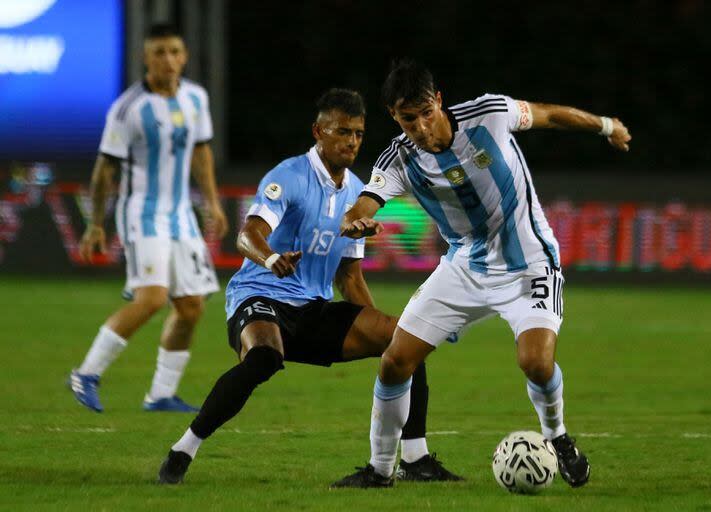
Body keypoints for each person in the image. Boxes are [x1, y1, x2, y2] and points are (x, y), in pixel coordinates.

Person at [332, 60, 632, 488]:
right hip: (464, 267)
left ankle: (558, 437)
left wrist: (605, 126)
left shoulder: (489, 114)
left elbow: (548, 114)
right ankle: (381, 470)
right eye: (407, 118)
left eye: (424, 112)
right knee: (396, 361)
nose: (419, 126)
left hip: (528, 260)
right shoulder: (399, 159)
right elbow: (366, 201)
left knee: (536, 362)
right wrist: (356, 220)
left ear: (438, 100)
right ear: (393, 116)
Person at [156, 88, 460, 485]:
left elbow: (349, 278)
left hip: (313, 309)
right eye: (342, 132)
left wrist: (377, 325)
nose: (351, 141)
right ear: (319, 131)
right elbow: (247, 234)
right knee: (264, 357)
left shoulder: (356, 193)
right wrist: (270, 258)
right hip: (260, 295)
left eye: (358, 133)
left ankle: (416, 459)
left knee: (406, 341)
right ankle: (184, 448)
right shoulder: (289, 177)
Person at [69, 23, 228, 413]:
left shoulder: (195, 98)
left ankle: (160, 394)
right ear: (146, 57)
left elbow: (201, 153)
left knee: (191, 306)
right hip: (141, 212)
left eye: (174, 51)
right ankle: (85, 373)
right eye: (159, 52)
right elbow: (105, 167)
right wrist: (94, 223)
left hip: (181, 215)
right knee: (153, 298)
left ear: (185, 55)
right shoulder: (129, 107)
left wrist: (212, 202)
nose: (168, 60)